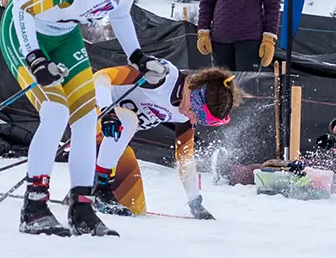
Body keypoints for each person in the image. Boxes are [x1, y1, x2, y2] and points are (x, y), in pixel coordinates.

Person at [0, 0, 180, 237]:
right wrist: (35, 58)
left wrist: (137, 56)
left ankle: (82, 207)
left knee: (85, 118)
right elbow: (23, 6)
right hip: (24, 31)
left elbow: (121, 14)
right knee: (55, 112)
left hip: (65, 35)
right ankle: (34, 207)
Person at [89, 61, 240, 219]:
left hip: (107, 144)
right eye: (196, 110)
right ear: (195, 89)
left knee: (134, 209)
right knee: (128, 120)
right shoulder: (163, 77)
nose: (193, 117)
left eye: (201, 119)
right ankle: (98, 186)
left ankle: (84, 186)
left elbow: (185, 158)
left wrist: (195, 203)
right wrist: (108, 111)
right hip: (86, 114)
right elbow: (101, 77)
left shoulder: (184, 117)